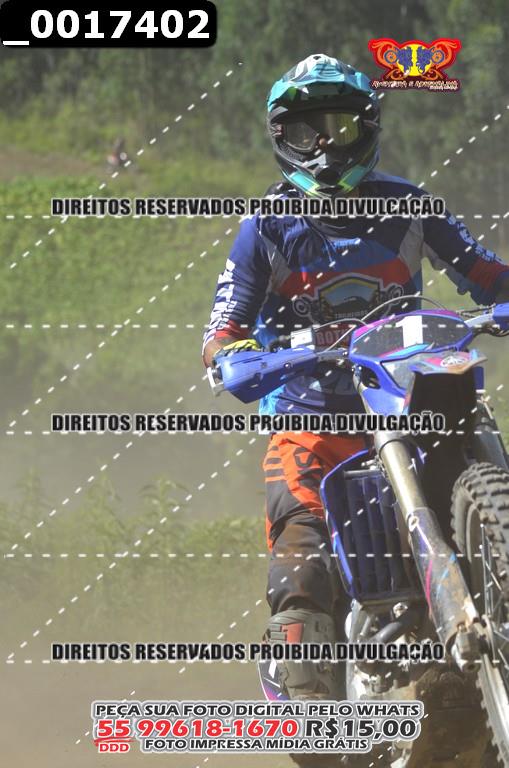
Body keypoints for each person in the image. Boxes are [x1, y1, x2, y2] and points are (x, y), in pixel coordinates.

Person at [202, 52, 509, 720]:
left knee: (484, 455)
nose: (322, 146)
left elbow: (486, 274)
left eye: (337, 126)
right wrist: (236, 358)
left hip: (413, 397)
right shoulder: (266, 226)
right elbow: (223, 329)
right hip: (312, 421)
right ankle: (309, 713)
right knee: (302, 572)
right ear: (281, 136)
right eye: (305, 130)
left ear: (365, 127)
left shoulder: (410, 205)